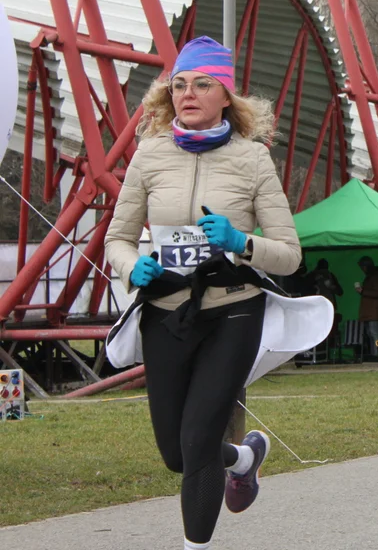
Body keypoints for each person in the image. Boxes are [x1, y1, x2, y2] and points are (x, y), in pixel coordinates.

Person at [104, 36, 303, 550]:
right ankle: (242, 457)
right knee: (176, 454)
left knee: (197, 442)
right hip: (167, 312)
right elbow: (117, 239)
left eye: (202, 84)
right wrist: (133, 269)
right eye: (180, 85)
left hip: (233, 310)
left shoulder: (253, 161)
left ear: (225, 96)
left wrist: (241, 242)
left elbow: (289, 253)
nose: (188, 93)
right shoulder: (148, 156)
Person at [354, 256, 378, 360]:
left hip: (373, 310)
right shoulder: (373, 275)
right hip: (370, 310)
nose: (362, 270)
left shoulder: (376, 276)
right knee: (371, 332)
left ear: (366, 266)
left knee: (374, 332)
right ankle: (375, 354)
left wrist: (362, 291)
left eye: (362, 267)